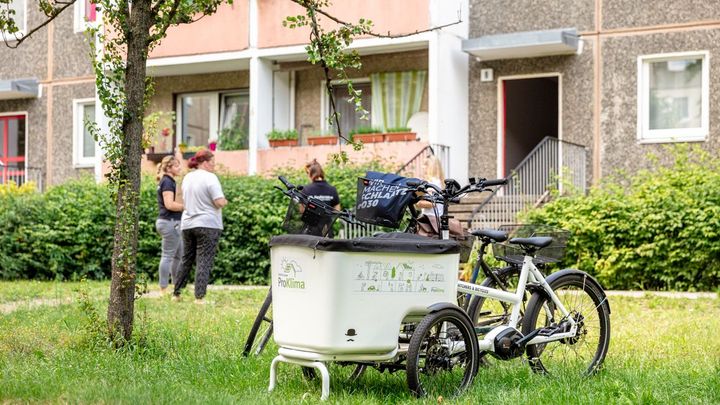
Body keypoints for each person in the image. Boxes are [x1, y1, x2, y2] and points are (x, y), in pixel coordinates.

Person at [172, 150, 228, 304]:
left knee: (186, 259)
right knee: (204, 259)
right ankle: (199, 297)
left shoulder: (187, 177)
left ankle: (176, 293)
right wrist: (225, 201)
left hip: (188, 223)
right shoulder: (210, 178)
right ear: (205, 162)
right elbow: (218, 201)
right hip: (208, 224)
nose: (214, 165)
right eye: (212, 162)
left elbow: (180, 199)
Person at [155, 156, 184, 295]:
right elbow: (169, 204)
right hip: (170, 223)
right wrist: (187, 207)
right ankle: (163, 288)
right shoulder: (167, 182)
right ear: (169, 168)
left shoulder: (168, 181)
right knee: (167, 256)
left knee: (178, 255)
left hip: (171, 223)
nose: (180, 168)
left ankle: (176, 286)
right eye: (177, 166)